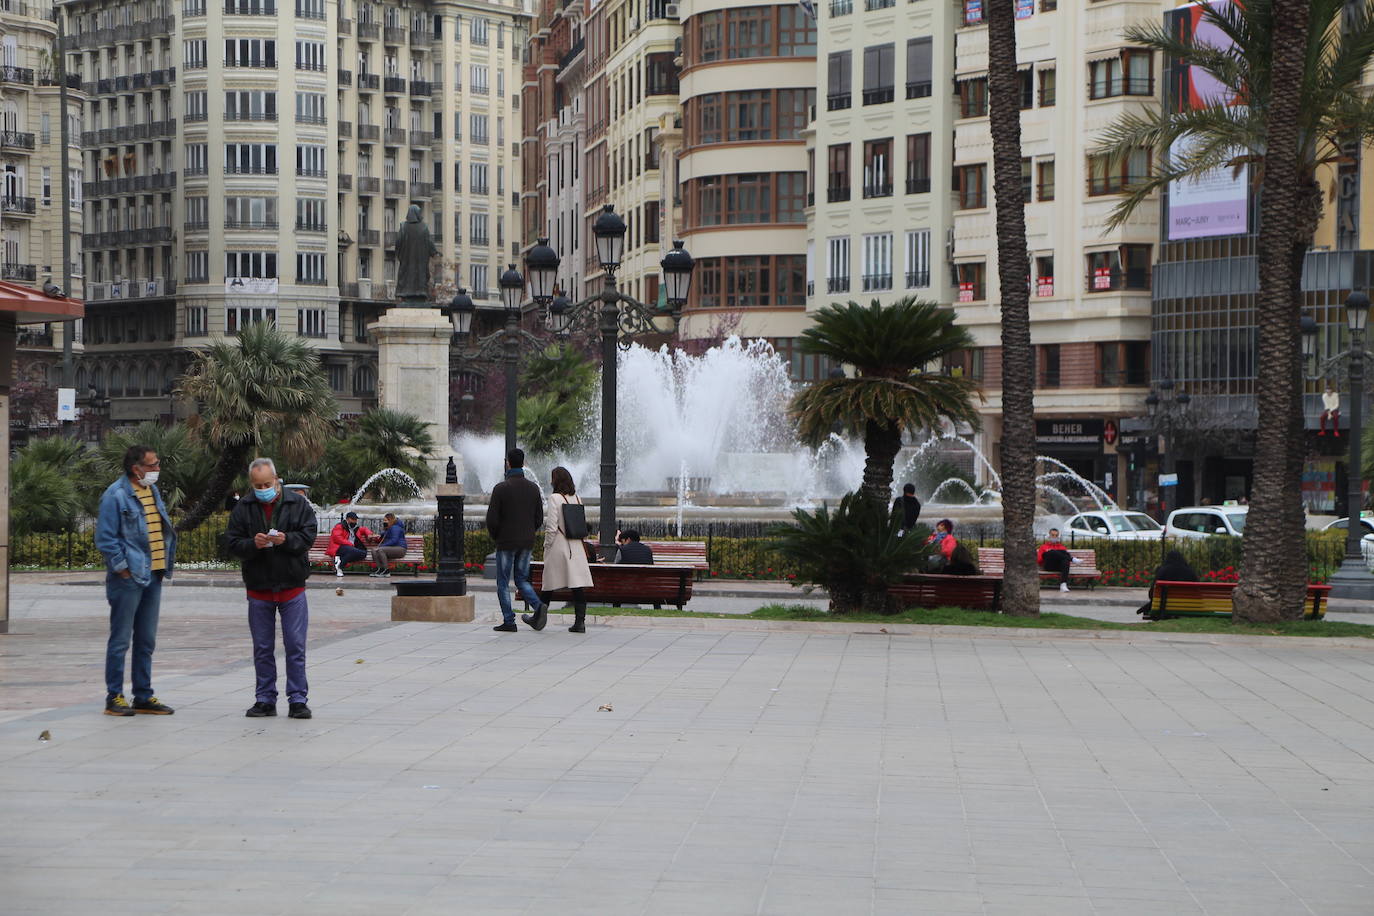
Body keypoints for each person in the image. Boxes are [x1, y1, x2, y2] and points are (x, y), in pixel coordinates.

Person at [223, 458, 318, 719]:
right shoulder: (244, 507)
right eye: (257, 485)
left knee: (295, 645)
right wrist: (253, 544)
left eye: (267, 483)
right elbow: (232, 543)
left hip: (292, 586)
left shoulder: (297, 503)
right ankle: (265, 698)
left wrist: (286, 539)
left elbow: (308, 535)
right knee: (263, 647)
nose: (263, 489)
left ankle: (298, 699)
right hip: (259, 587)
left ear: (276, 480)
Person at [95, 444, 177, 716]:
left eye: (158, 464)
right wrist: (123, 569)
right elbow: (106, 539)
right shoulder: (115, 495)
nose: (157, 469)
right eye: (153, 465)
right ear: (136, 468)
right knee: (120, 639)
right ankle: (114, 696)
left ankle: (143, 695)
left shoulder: (150, 490)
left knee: (146, 639)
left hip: (153, 574)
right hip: (128, 578)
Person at [526, 466, 595, 633]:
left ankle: (538, 618)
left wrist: (546, 545)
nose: (550, 481)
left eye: (552, 478)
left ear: (556, 480)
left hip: (559, 544)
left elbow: (551, 526)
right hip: (576, 546)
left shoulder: (555, 498)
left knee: (548, 583)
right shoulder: (577, 498)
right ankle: (580, 622)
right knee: (576, 585)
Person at [485, 447, 547, 632]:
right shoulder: (533, 488)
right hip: (526, 541)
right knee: (521, 580)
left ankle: (509, 621)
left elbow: (492, 519)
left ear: (508, 463)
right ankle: (538, 605)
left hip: (506, 542)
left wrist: (497, 536)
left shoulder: (501, 488)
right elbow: (539, 518)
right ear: (523, 463)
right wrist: (529, 532)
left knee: (503, 582)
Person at [1139, 550, 1199, 617]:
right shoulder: (1190, 572)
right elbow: (1197, 591)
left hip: (1166, 606)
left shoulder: (1163, 571)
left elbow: (1151, 594)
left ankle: (1147, 607)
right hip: (1188, 606)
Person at [326, 511, 372, 577]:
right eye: (353, 519)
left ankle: (339, 561)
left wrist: (369, 534)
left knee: (363, 553)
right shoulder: (340, 526)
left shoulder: (356, 528)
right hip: (339, 547)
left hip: (350, 550)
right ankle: (339, 567)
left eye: (355, 520)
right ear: (347, 519)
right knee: (352, 550)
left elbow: (365, 529)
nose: (355, 521)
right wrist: (350, 544)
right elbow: (337, 538)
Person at [1037, 528, 1076, 593]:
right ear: (1049, 536)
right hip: (1049, 566)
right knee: (1051, 552)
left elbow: (1066, 559)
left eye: (1056, 535)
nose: (1054, 537)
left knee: (1065, 559)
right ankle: (1072, 559)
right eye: (1052, 535)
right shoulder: (1043, 547)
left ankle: (1063, 585)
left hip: (1059, 567)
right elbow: (1039, 560)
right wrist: (1048, 554)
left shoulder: (1062, 547)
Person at [369, 512, 407, 578]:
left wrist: (381, 546)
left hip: (400, 549)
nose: (384, 522)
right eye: (383, 520)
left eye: (385, 520)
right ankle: (380, 569)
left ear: (390, 520)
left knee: (380, 550)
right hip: (391, 549)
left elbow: (394, 540)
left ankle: (386, 571)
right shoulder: (390, 528)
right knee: (374, 550)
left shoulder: (395, 528)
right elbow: (385, 537)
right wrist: (379, 536)